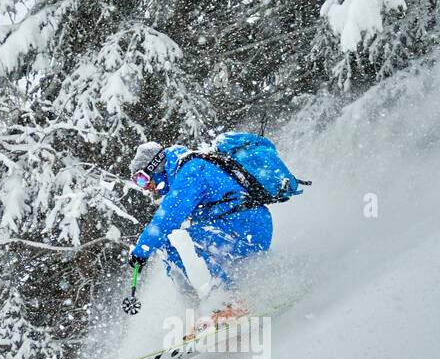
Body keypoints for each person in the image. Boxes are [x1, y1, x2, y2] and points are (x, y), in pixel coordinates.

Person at [125, 134, 305, 332]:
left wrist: (142, 250)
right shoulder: (183, 173)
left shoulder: (191, 170)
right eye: (138, 183)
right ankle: (203, 310)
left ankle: (227, 302)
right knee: (172, 249)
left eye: (142, 179)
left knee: (178, 242)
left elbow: (167, 218)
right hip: (234, 229)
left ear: (155, 166)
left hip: (245, 226)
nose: (145, 188)